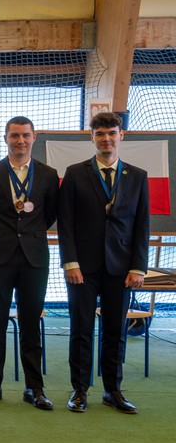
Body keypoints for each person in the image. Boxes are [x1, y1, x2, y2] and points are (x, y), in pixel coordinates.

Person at [58, 111, 149, 414]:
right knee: (81, 329)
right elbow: (65, 223)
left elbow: (142, 225)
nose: (106, 139)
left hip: (121, 269)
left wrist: (138, 267)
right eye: (100, 134)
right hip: (82, 268)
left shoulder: (137, 176)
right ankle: (79, 391)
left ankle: (113, 391)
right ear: (92, 137)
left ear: (121, 136)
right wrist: (70, 262)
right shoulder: (75, 173)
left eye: (111, 133)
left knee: (115, 331)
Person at [0, 117, 58, 410]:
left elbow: (50, 215)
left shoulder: (48, 174)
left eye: (25, 135)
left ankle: (34, 388)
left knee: (31, 323)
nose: (20, 141)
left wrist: (28, 235)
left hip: (34, 257)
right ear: (5, 138)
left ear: (34, 138)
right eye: (15, 135)